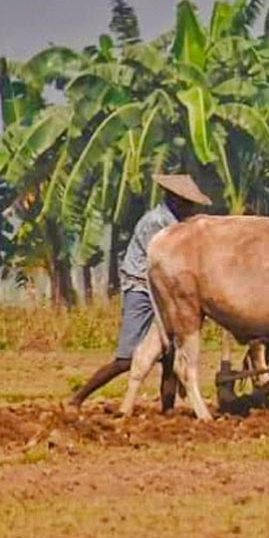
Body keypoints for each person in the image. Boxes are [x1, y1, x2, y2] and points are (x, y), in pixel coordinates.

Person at [69, 174, 212, 409]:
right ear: (175, 200)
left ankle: (167, 411)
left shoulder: (176, 222)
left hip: (162, 290)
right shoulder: (158, 222)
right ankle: (78, 398)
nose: (191, 208)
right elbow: (161, 263)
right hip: (141, 288)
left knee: (169, 357)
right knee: (126, 359)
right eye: (188, 203)